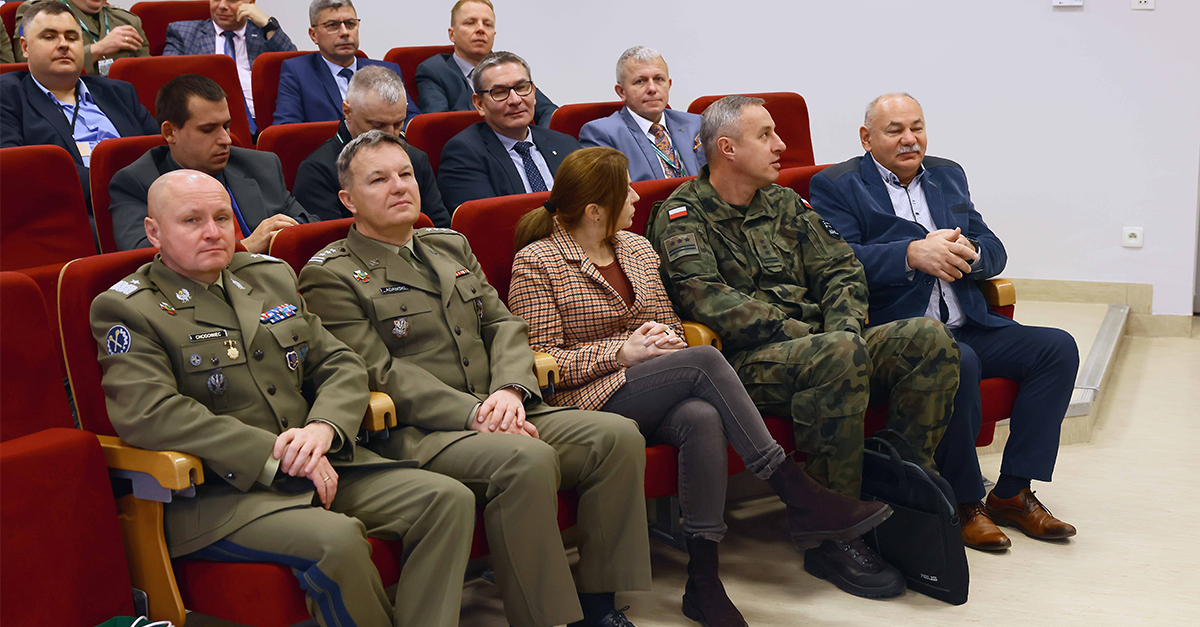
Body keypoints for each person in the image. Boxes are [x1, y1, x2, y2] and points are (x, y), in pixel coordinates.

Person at [508, 146, 892, 627]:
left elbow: (669, 323)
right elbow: (540, 360)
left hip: (648, 381)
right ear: (594, 210)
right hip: (584, 398)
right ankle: (796, 491)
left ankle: (704, 580)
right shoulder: (537, 262)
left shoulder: (636, 248)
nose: (636, 197)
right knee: (705, 361)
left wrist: (662, 340)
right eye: (625, 190)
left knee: (702, 416)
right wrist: (621, 352)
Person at [90, 168, 475, 627]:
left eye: (222, 218)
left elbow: (341, 363)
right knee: (338, 541)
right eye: (192, 221)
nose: (213, 232)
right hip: (224, 493)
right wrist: (275, 453)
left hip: (321, 460)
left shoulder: (268, 277)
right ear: (154, 231)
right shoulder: (128, 307)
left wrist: (323, 427)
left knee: (446, 500)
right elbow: (150, 413)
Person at [298, 130, 651, 627]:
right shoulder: (330, 273)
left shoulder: (449, 245)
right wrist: (473, 413)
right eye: (378, 180)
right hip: (424, 431)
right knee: (525, 461)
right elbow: (376, 370)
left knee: (616, 437)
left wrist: (510, 389)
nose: (399, 186)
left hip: (503, 405)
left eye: (405, 174)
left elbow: (504, 325)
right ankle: (549, 619)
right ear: (348, 199)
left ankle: (598, 604)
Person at [647, 96, 962, 600]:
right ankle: (831, 534)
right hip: (743, 366)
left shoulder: (784, 203)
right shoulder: (683, 215)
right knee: (838, 355)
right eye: (766, 135)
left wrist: (843, 329)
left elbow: (841, 269)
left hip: (827, 343)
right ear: (727, 149)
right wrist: (814, 337)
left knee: (928, 340)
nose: (781, 145)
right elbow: (705, 300)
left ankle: (896, 497)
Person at [810, 92, 1080, 551]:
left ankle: (1012, 491)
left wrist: (972, 254)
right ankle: (966, 501)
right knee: (961, 360)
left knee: (1056, 348)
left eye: (917, 127)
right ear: (866, 138)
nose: (909, 139)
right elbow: (836, 261)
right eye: (895, 130)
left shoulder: (947, 175)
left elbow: (993, 246)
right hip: (902, 335)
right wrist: (910, 254)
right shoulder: (837, 185)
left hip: (968, 320)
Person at [109, 74, 313, 252]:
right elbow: (144, 256)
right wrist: (244, 248)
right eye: (208, 130)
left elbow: (309, 225)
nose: (226, 139)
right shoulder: (137, 183)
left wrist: (284, 235)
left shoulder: (261, 165)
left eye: (226, 126)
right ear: (170, 132)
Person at [1, 1, 156, 197]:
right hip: (72, 205)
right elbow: (16, 169)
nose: (64, 44)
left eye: (72, 38)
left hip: (148, 197)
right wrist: (118, 187)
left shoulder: (119, 92)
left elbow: (160, 149)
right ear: (25, 48)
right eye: (49, 37)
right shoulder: (8, 95)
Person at [293, 65, 448, 226]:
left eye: (398, 124)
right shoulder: (317, 170)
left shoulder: (416, 158)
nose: (390, 134)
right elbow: (329, 237)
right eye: (378, 125)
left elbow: (440, 225)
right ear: (347, 112)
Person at [437, 51, 580, 211]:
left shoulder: (565, 144)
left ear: (533, 93)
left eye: (521, 88)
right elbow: (486, 220)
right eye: (499, 92)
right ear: (479, 104)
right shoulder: (464, 154)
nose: (515, 100)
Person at [272, 0, 419, 128]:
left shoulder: (386, 70)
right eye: (332, 25)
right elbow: (286, 128)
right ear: (313, 35)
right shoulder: (298, 72)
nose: (344, 32)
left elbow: (412, 119)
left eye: (350, 24)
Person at [414, 0, 556, 126]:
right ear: (452, 34)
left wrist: (541, 140)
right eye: (470, 23)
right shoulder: (434, 70)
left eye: (487, 24)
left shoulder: (507, 67)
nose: (480, 29)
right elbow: (438, 124)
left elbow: (549, 111)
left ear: (494, 34)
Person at [163, 0, 296, 132]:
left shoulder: (264, 33)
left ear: (251, 2)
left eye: (232, 0)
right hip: (208, 125)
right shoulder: (184, 33)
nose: (222, 6)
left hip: (261, 124)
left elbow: (295, 66)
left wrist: (268, 25)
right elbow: (166, 77)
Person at [579, 46, 704, 182]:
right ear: (621, 92)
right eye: (640, 81)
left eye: (658, 79)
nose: (652, 88)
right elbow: (610, 192)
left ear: (669, 85)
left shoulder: (696, 124)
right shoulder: (602, 134)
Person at [14, 0, 149, 76]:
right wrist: (98, 49)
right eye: (50, 37)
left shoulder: (127, 20)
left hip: (120, 100)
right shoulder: (38, 12)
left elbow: (146, 74)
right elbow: (24, 61)